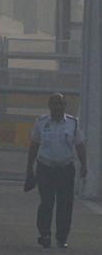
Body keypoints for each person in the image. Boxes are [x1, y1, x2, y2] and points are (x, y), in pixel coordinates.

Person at [26, 93, 87, 249]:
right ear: (49, 105)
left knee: (65, 205)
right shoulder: (41, 122)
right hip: (45, 168)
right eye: (53, 103)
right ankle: (44, 234)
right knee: (46, 203)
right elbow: (34, 146)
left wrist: (84, 165)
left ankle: (61, 238)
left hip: (65, 169)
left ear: (64, 105)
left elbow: (80, 145)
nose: (56, 106)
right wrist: (29, 168)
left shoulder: (72, 123)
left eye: (59, 103)